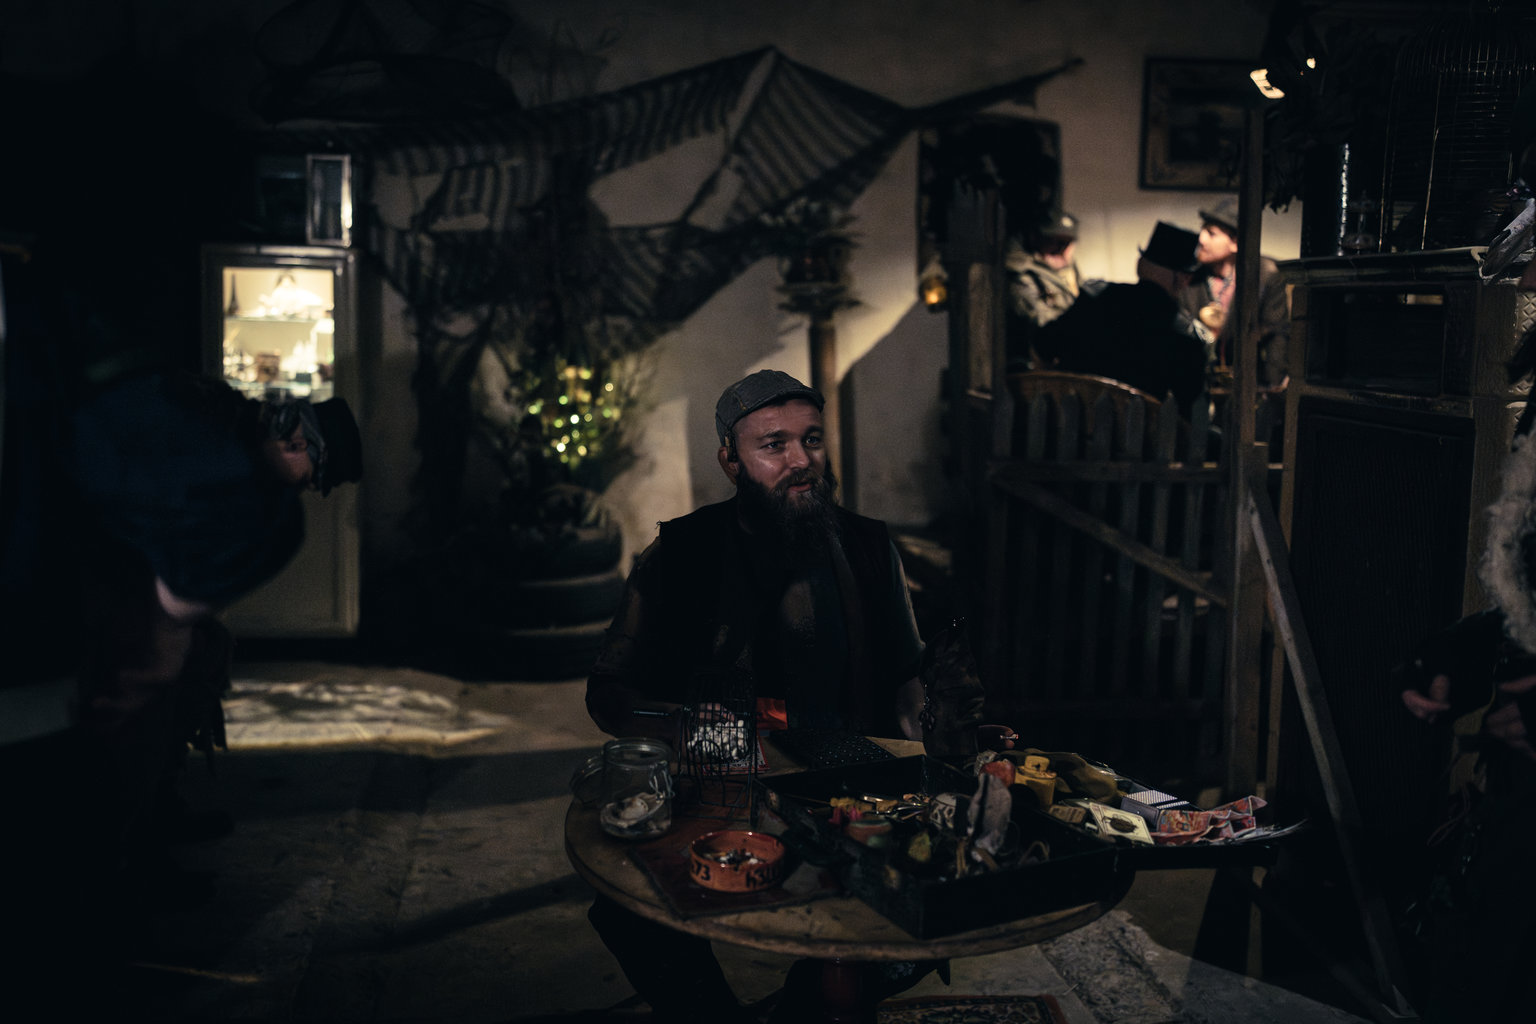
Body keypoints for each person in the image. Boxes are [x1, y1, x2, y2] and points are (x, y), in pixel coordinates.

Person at [584, 369, 993, 1022]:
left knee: (911, 922)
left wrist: (941, 742)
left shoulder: (867, 547)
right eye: (774, 445)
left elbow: (907, 679)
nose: (801, 460)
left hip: (848, 791)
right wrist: (678, 725)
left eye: (812, 440)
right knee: (631, 913)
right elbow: (608, 692)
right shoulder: (680, 552)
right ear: (731, 460)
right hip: (723, 795)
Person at [1031, 221, 1208, 414]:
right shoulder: (1185, 335)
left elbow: (1043, 345)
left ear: (1140, 264)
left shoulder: (1094, 297)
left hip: (1072, 425)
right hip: (1139, 432)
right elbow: (1192, 412)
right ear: (1184, 279)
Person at [1175, 196, 1290, 390]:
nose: (1201, 239)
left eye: (1211, 233)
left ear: (1235, 242)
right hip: (1196, 382)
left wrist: (1271, 387)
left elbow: (1277, 333)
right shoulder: (1189, 274)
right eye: (1203, 230)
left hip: (1247, 383)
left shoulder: (1265, 275)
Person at [1005, 211, 1082, 369]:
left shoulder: (1070, 273)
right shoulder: (1024, 276)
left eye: (1067, 243)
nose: (1060, 249)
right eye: (1054, 241)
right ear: (1035, 239)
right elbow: (1042, 321)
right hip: (1040, 363)